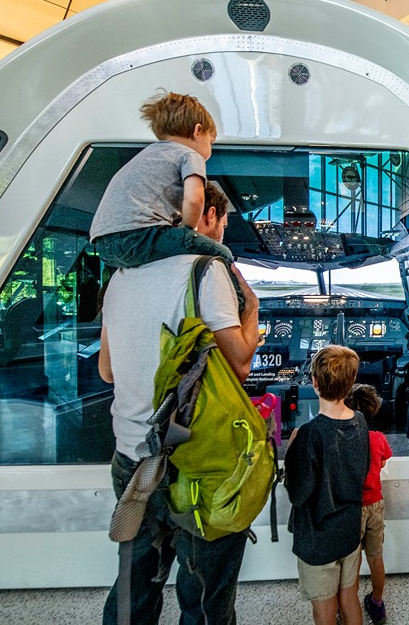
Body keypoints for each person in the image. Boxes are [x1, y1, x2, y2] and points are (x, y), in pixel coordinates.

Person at [98, 245, 261, 622]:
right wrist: (250, 309)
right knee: (204, 597)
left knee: (133, 589)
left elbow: (107, 371)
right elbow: (238, 365)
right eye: (221, 224)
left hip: (133, 459)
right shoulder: (207, 269)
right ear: (209, 214)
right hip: (199, 462)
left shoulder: (120, 277)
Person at [89, 92, 243, 307]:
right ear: (197, 131)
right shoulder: (189, 155)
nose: (210, 149)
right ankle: (239, 306)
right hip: (138, 236)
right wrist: (188, 231)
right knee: (221, 252)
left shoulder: (148, 155)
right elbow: (195, 199)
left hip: (104, 246)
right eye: (211, 142)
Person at [285, 345, 370, 625]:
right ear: (350, 384)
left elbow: (298, 493)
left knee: (324, 609)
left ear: (315, 383)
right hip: (348, 530)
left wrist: (290, 452)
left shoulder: (308, 435)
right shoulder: (360, 422)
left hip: (318, 537)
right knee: (349, 598)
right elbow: (362, 469)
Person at [345, 384, 393, 625]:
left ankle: (348, 604)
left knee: (352, 561)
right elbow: (383, 463)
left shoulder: (342, 439)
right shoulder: (378, 438)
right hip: (375, 505)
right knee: (376, 557)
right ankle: (377, 603)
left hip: (352, 508)